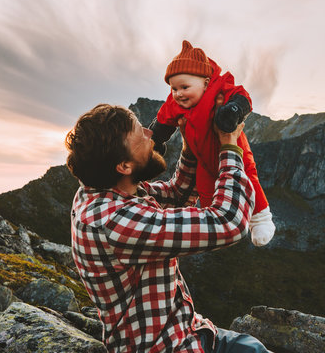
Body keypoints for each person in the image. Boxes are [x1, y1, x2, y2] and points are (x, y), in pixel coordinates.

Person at [65, 104, 270, 352]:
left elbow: (176, 194)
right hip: (170, 346)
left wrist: (191, 143)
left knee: (253, 347)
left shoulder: (106, 190)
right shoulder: (114, 222)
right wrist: (230, 146)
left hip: (190, 329)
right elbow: (228, 222)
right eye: (139, 134)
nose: (149, 133)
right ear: (124, 166)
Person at [149, 40, 275, 247]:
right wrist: (155, 139)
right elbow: (163, 120)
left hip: (234, 150)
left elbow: (242, 97)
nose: (178, 93)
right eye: (173, 89)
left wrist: (232, 110)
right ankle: (212, 217)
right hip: (203, 160)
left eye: (184, 87)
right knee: (207, 188)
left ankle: (261, 219)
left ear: (206, 82)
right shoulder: (176, 103)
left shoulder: (219, 88)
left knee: (249, 178)